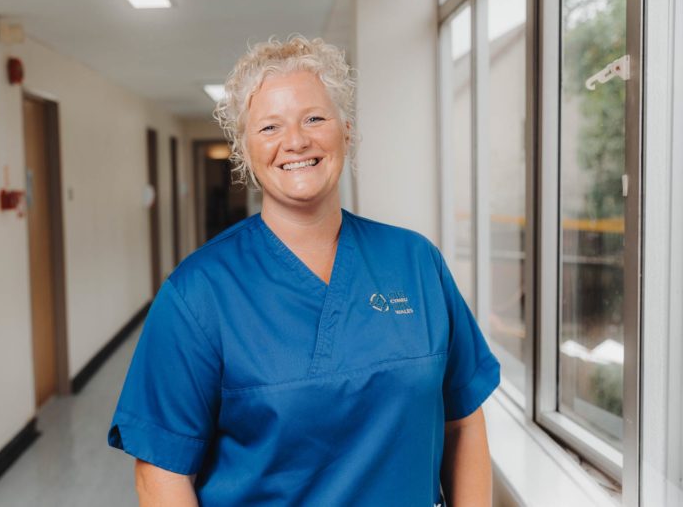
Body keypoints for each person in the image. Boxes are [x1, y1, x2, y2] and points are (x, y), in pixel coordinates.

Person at [108, 35, 500, 506]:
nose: (296, 141)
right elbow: (161, 474)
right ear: (245, 152)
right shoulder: (198, 294)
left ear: (346, 130)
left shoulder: (416, 263)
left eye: (314, 118)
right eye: (269, 127)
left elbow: (463, 422)